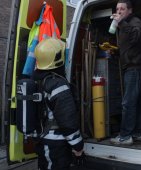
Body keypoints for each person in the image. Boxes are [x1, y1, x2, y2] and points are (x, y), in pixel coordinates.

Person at [33, 38, 84, 170]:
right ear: (57, 59)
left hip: (42, 138)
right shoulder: (57, 84)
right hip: (56, 144)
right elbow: (67, 120)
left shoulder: (38, 80)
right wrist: (78, 146)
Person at [110, 0, 141, 145]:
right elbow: (131, 46)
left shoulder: (135, 22)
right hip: (132, 67)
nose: (119, 11)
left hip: (136, 68)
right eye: (117, 8)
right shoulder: (125, 24)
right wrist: (116, 52)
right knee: (136, 103)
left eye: (122, 8)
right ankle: (138, 133)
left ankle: (125, 136)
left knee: (128, 103)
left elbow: (137, 37)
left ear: (130, 10)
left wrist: (121, 23)